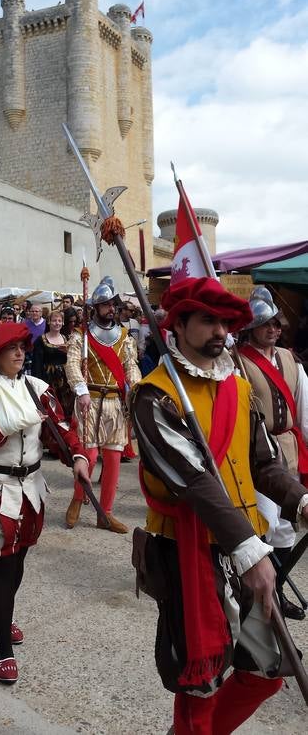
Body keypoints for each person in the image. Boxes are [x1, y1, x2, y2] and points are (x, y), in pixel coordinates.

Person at [130, 277, 308, 735]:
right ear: (179, 324)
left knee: (266, 671)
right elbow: (193, 482)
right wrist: (250, 550)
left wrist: (301, 500)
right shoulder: (154, 396)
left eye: (225, 322)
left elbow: (265, 461)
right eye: (207, 320)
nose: (218, 331)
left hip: (247, 543)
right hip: (188, 556)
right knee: (199, 688)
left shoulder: (237, 387)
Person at [0, 322, 90, 683]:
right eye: (11, 348)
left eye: (22, 348)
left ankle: (3, 614)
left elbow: (59, 430)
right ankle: (2, 649)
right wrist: (9, 422)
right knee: (2, 565)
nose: (19, 354)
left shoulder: (38, 389)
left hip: (29, 488)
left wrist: (77, 457)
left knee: (20, 557)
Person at [239, 286, 308, 620]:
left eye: (277, 324)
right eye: (266, 324)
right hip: (257, 454)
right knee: (263, 523)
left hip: (289, 449)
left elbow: (305, 411)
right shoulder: (239, 362)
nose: (273, 329)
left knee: (286, 527)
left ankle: (276, 591)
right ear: (251, 327)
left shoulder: (291, 361)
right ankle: (262, 598)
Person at [65, 276, 141, 533]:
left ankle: (105, 513)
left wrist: (137, 389)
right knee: (89, 455)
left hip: (115, 404)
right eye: (105, 304)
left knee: (113, 458)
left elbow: (131, 366)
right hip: (90, 401)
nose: (110, 309)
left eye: (113, 305)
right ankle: (78, 498)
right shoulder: (81, 336)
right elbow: (73, 364)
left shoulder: (124, 337)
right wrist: (81, 389)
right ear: (95, 307)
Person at [31, 309, 74, 422]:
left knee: (66, 407)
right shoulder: (41, 341)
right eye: (54, 320)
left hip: (65, 380)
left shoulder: (67, 339)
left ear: (63, 323)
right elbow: (37, 364)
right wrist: (38, 384)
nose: (57, 323)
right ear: (49, 322)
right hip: (48, 378)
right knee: (51, 406)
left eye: (60, 320)